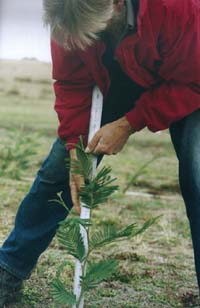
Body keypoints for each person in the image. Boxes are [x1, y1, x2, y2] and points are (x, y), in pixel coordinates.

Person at [0, 0, 200, 306]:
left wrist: (130, 123)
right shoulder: (67, 15)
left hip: (189, 80)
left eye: (93, 32)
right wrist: (75, 150)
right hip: (119, 75)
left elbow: (194, 80)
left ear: (117, 4)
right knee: (60, 170)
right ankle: (8, 271)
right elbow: (71, 84)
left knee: (198, 173)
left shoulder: (178, 8)